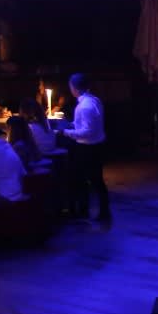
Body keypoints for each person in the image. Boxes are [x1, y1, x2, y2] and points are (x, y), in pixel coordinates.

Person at [64, 73, 110, 222]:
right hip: (97, 146)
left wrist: (66, 132)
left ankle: (87, 211)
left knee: (85, 180)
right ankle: (98, 211)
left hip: (87, 148)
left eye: (70, 86)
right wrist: (72, 125)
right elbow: (88, 125)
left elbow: (87, 132)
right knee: (93, 180)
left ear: (75, 88)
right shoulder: (94, 100)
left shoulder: (84, 107)